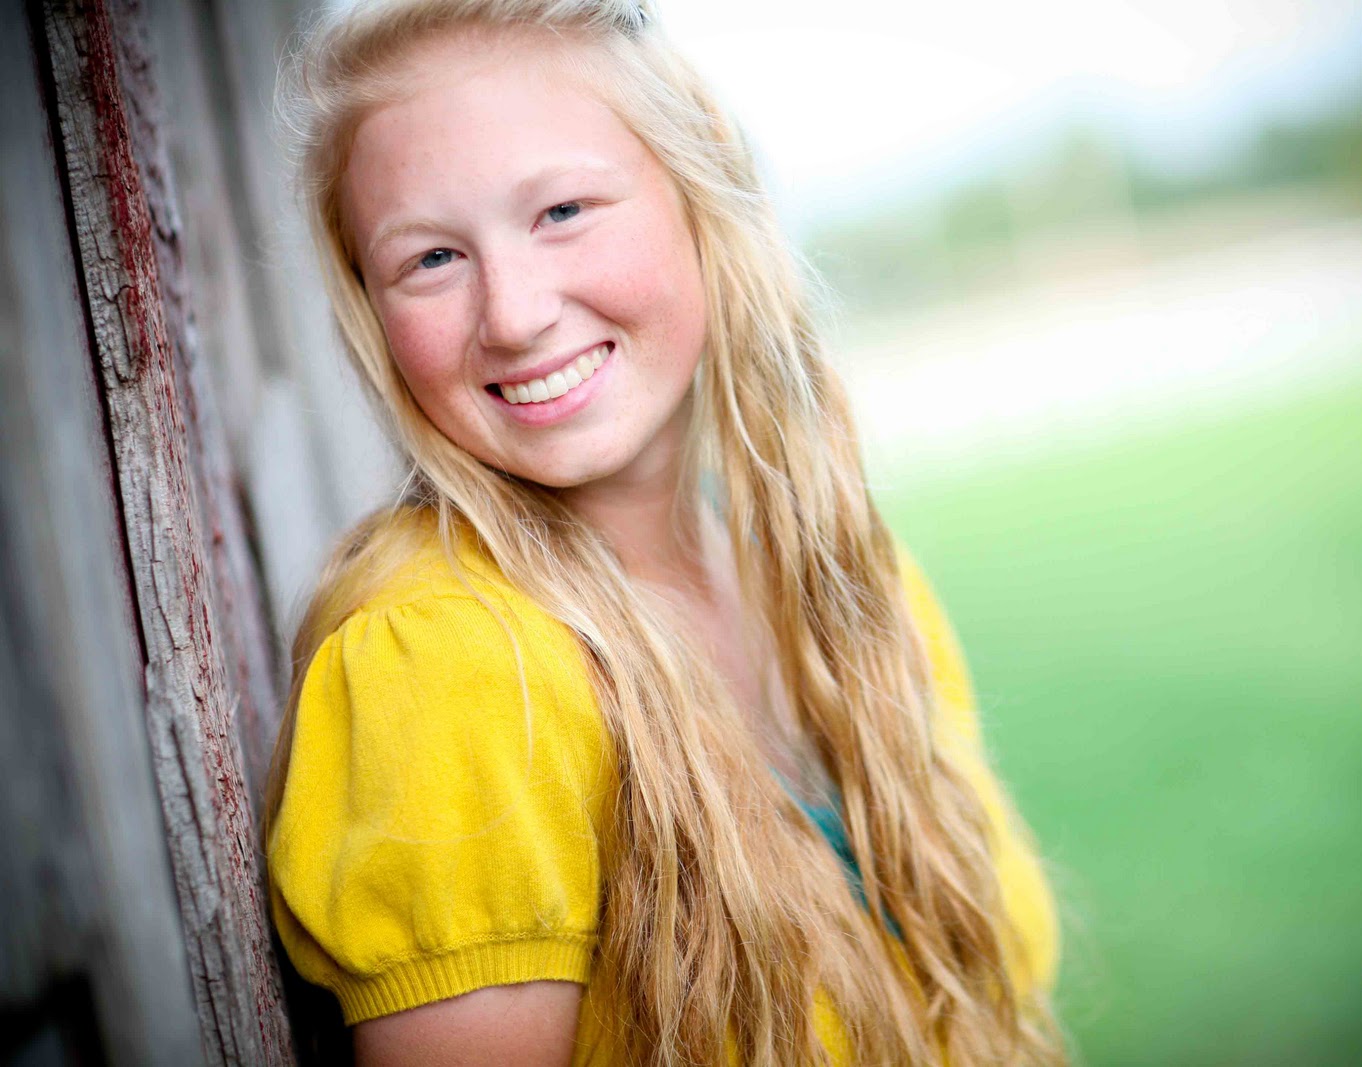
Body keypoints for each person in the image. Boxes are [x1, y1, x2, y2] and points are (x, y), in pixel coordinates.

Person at [262, 0, 1066, 1062]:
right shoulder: (453, 662)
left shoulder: (843, 584)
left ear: (702, 193)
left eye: (562, 211)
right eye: (432, 259)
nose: (513, 314)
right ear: (372, 309)